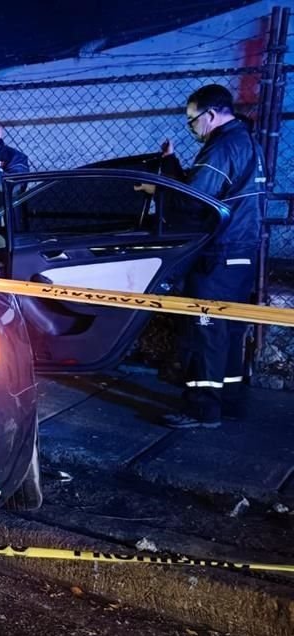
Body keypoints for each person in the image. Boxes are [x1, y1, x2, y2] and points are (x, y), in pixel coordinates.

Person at [135, 84, 266, 429]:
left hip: (219, 253)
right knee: (231, 330)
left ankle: (202, 409)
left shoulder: (222, 147)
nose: (192, 128)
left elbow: (192, 202)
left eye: (192, 120)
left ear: (210, 115)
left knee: (205, 329)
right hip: (242, 251)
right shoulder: (247, 142)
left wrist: (157, 188)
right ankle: (230, 402)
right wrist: (171, 162)